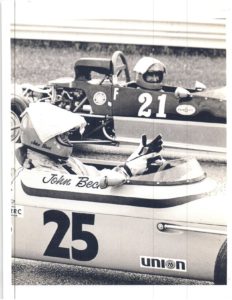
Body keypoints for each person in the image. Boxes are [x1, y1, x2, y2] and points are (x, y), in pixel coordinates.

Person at [16, 102, 164, 188]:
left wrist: (132, 162)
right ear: (45, 138)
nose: (68, 139)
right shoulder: (39, 173)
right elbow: (90, 186)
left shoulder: (65, 162)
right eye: (63, 135)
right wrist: (127, 171)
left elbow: (97, 176)